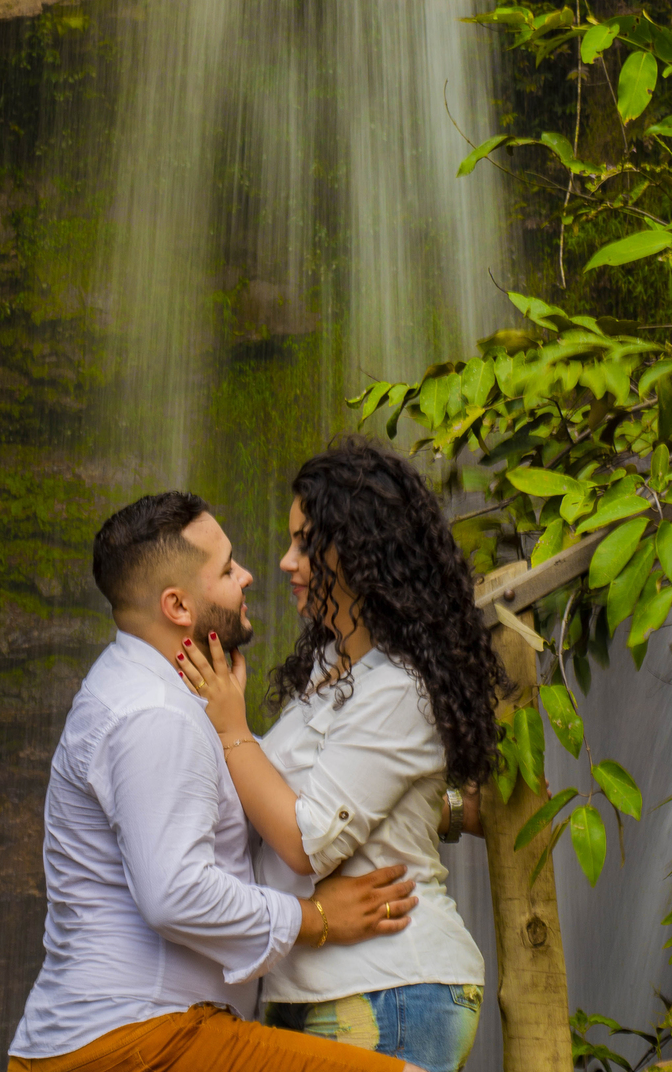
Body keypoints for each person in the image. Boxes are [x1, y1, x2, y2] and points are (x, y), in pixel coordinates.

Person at [8, 490, 429, 1072]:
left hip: (131, 1038)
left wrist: (437, 805)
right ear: (179, 606)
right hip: (140, 1041)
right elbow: (175, 893)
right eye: (228, 570)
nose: (250, 575)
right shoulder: (156, 715)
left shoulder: (156, 690)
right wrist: (316, 919)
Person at [174, 438, 502, 1072]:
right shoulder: (332, 667)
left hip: (390, 988)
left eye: (305, 544)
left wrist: (232, 728)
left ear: (360, 554)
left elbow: (307, 841)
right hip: (314, 986)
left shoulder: (401, 688)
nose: (284, 562)